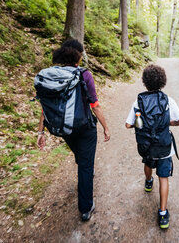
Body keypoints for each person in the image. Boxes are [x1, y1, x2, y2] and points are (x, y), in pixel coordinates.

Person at [37, 39, 110, 221]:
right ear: (78, 56)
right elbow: (95, 105)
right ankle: (86, 208)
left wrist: (40, 132)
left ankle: (83, 166)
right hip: (85, 128)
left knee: (81, 157)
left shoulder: (52, 76)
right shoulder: (84, 75)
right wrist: (106, 127)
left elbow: (44, 107)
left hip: (64, 128)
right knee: (85, 166)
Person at [125, 65, 179, 229]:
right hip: (164, 146)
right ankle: (163, 213)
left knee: (147, 164)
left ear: (145, 82)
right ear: (162, 82)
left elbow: (128, 125)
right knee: (164, 178)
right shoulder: (168, 100)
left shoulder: (138, 101)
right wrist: (168, 123)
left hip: (147, 146)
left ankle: (148, 181)